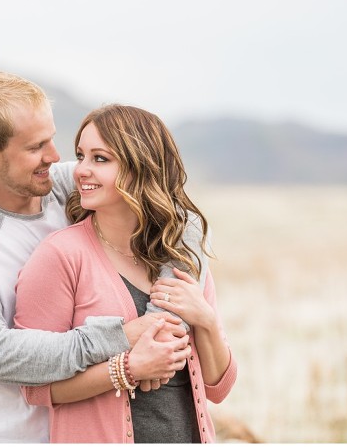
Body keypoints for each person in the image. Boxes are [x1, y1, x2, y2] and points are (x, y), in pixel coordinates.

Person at [0, 72, 192, 442]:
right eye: (35, 147)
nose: (54, 156)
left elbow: (178, 213)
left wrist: (160, 322)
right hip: (3, 435)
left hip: (83, 430)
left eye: (51, 138)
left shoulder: (66, 185)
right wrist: (122, 337)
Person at [14, 104, 238, 443]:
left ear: (141, 166)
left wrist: (204, 319)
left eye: (100, 159)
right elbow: (34, 387)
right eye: (81, 156)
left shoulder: (180, 257)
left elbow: (219, 387)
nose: (81, 170)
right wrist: (127, 370)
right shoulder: (60, 256)